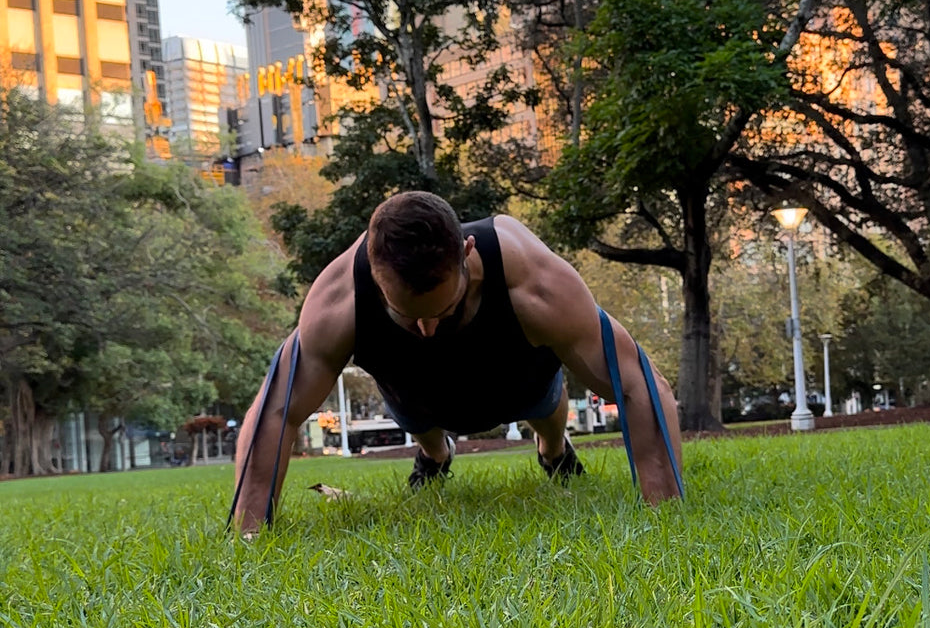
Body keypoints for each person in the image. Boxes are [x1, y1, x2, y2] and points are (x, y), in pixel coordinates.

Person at [232, 192, 682, 532]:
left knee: (546, 409)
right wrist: (250, 534)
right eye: (408, 315)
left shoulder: (532, 276)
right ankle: (435, 454)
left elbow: (640, 383)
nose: (427, 329)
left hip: (518, 377)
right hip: (413, 390)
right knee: (421, 421)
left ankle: (553, 449)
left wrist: (664, 514)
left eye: (442, 310)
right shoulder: (339, 297)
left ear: (467, 252)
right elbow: (276, 409)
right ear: (373, 270)